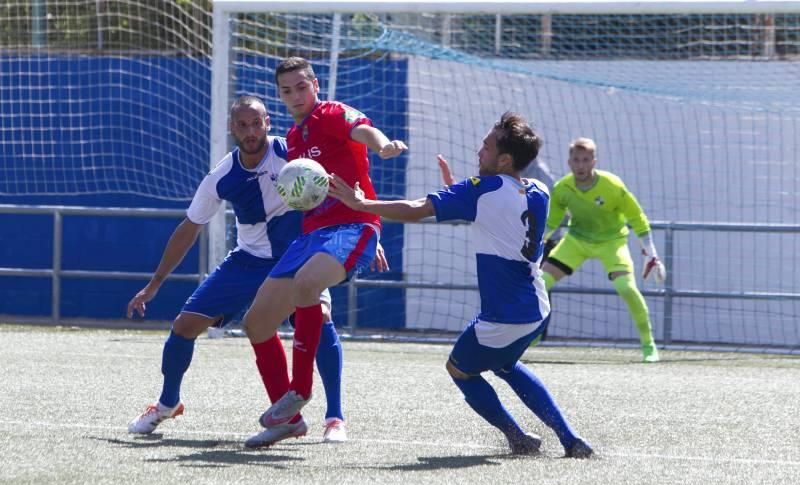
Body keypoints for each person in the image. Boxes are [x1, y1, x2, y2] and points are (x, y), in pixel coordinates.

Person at [329, 112, 592, 458]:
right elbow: (497, 214)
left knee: (459, 370)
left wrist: (360, 204)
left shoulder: (478, 192)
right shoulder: (539, 191)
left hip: (504, 316)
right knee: (504, 366)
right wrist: (460, 197)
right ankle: (569, 439)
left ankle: (518, 439)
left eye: (485, 147)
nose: (478, 151)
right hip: (537, 308)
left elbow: (415, 208)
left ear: (505, 159)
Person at [126, 95, 363, 446]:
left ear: (268, 122)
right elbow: (190, 227)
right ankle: (167, 402)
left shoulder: (294, 154)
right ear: (231, 128)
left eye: (257, 123)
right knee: (184, 326)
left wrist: (366, 232)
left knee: (321, 319)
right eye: (242, 125)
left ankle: (334, 417)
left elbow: (343, 188)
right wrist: (155, 283)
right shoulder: (222, 176)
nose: (251, 131)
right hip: (248, 260)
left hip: (298, 259)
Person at [241, 57, 407, 446]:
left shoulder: (330, 113)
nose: (296, 95)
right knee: (257, 323)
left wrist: (383, 147)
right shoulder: (294, 137)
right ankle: (288, 421)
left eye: (302, 86)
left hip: (353, 227)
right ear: (280, 96)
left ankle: (302, 389)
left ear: (314, 85)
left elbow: (363, 130)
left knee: (307, 285)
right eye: (287, 91)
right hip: (310, 236)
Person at [542, 137, 666, 363]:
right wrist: (532, 248)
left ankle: (649, 345)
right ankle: (527, 339)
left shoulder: (612, 185)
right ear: (569, 162)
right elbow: (551, 223)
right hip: (576, 241)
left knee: (626, 287)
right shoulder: (562, 189)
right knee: (540, 284)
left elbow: (637, 217)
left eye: (586, 160)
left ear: (594, 162)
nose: (581, 165)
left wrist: (652, 253)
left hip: (612, 242)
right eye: (576, 160)